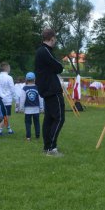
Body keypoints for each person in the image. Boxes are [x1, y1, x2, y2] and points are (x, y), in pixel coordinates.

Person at [35, 29, 65, 157]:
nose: (55, 41)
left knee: (49, 118)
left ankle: (47, 147)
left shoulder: (40, 51)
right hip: (52, 88)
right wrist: (58, 67)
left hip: (46, 89)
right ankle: (51, 148)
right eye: (55, 38)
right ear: (51, 38)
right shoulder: (45, 50)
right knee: (59, 118)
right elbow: (58, 66)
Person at [19, 72, 44, 141]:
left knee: (28, 123)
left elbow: (22, 99)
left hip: (27, 110)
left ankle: (28, 137)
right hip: (36, 109)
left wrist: (21, 108)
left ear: (26, 79)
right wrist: (42, 108)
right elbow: (41, 98)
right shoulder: (37, 87)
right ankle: (37, 135)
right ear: (34, 79)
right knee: (36, 123)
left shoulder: (24, 88)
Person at [0, 62, 15, 136]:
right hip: (7, 99)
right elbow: (12, 89)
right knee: (7, 116)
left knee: (4, 115)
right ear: (7, 68)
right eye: (9, 68)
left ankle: (9, 129)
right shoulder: (9, 77)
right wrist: (12, 96)